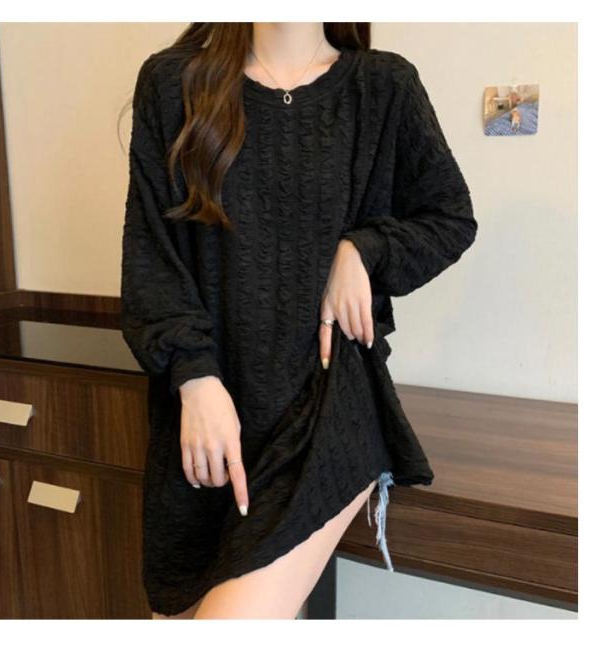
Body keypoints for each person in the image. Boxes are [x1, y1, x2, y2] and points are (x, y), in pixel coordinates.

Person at [120, 21, 477, 619]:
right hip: (207, 408)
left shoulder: (383, 87)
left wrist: (363, 249)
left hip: (327, 405)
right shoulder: (173, 83)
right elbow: (151, 255)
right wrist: (195, 377)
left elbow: (450, 217)